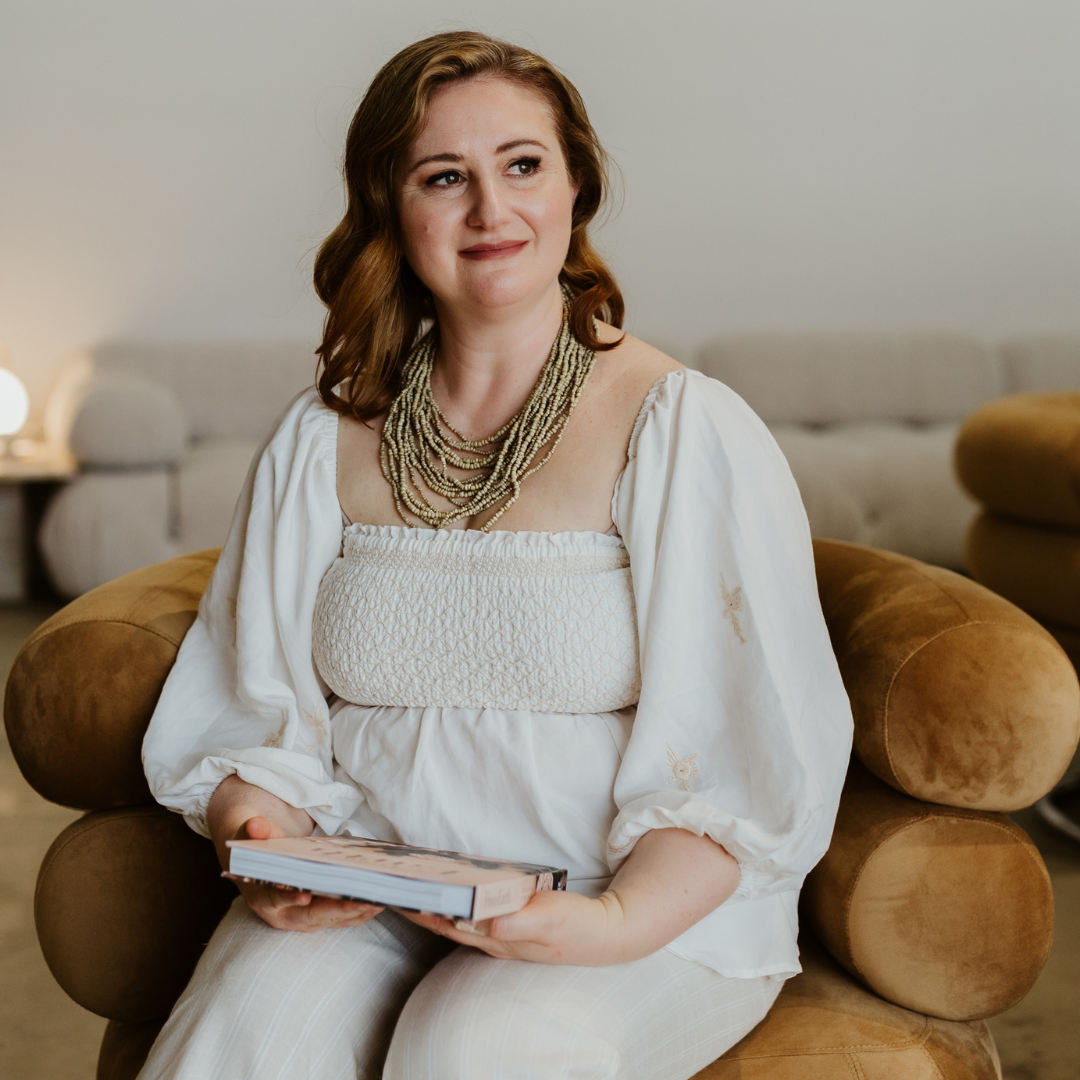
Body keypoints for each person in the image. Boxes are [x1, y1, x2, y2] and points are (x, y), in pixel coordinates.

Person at [137, 30, 853, 1080]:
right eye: (444, 177)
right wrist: (267, 845)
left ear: (576, 186)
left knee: (475, 1047)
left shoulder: (681, 430)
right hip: (377, 881)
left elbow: (747, 755)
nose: (490, 210)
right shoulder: (319, 436)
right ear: (391, 207)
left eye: (523, 165)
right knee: (237, 1042)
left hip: (627, 900)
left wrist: (607, 923)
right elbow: (252, 708)